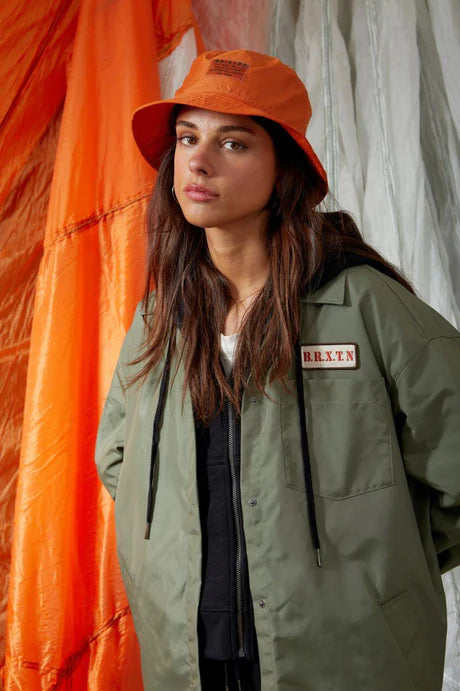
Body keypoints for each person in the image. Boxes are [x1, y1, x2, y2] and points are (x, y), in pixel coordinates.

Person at [95, 49, 460, 691]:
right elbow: (118, 459)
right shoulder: (160, 317)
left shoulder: (361, 303)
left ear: (284, 169)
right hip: (188, 659)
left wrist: (379, 569)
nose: (198, 162)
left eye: (233, 142)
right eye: (187, 138)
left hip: (343, 662)